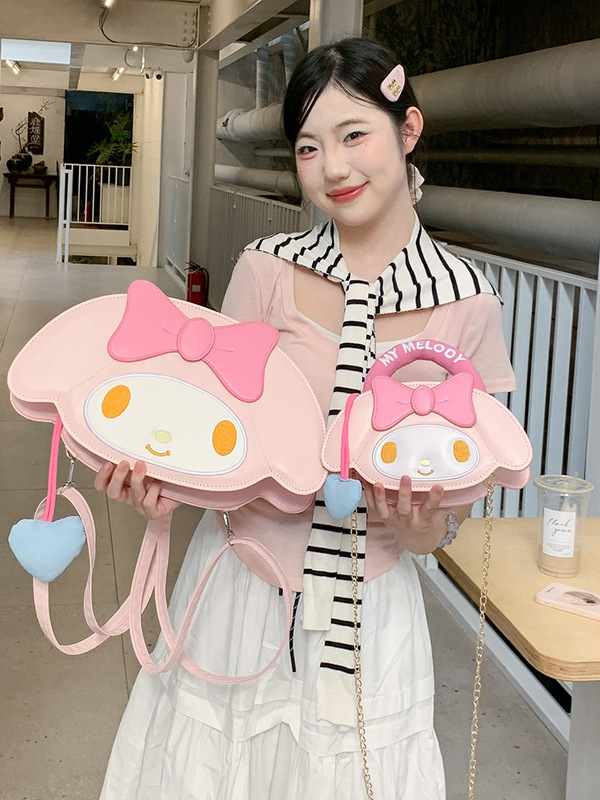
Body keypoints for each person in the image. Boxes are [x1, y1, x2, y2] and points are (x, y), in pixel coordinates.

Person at [96, 37, 516, 800]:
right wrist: (161, 491)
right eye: (309, 148)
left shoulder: (468, 302)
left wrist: (423, 527)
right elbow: (213, 440)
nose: (334, 168)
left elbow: (456, 507)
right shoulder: (266, 268)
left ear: (408, 130)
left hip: (372, 608)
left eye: (354, 135)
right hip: (238, 587)